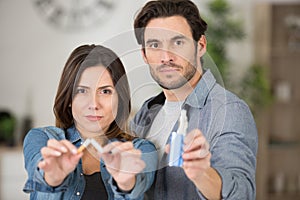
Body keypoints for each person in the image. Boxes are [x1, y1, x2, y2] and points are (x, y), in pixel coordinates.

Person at [130, 0, 258, 199]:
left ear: (201, 45)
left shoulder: (229, 110)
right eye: (155, 45)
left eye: (178, 42)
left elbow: (242, 192)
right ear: (144, 55)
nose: (166, 56)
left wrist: (202, 174)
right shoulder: (147, 112)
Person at [23, 44, 158, 200]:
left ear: (120, 99)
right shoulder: (42, 139)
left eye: (105, 91)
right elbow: (39, 172)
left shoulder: (140, 150)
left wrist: (126, 183)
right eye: (82, 91)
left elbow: (138, 188)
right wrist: (53, 178)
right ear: (69, 99)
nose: (94, 104)